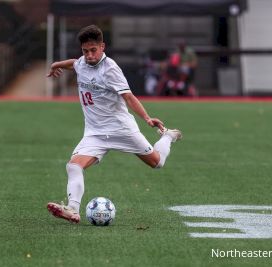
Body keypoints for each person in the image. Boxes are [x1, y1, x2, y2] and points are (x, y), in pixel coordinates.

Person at [46, 25, 182, 224]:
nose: (90, 55)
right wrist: (56, 64)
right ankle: (73, 209)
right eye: (85, 51)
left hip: (122, 130)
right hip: (95, 133)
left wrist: (147, 118)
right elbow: (73, 63)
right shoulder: (82, 63)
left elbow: (128, 96)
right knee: (73, 166)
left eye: (93, 50)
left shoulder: (110, 69)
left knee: (157, 162)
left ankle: (168, 136)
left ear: (103, 47)